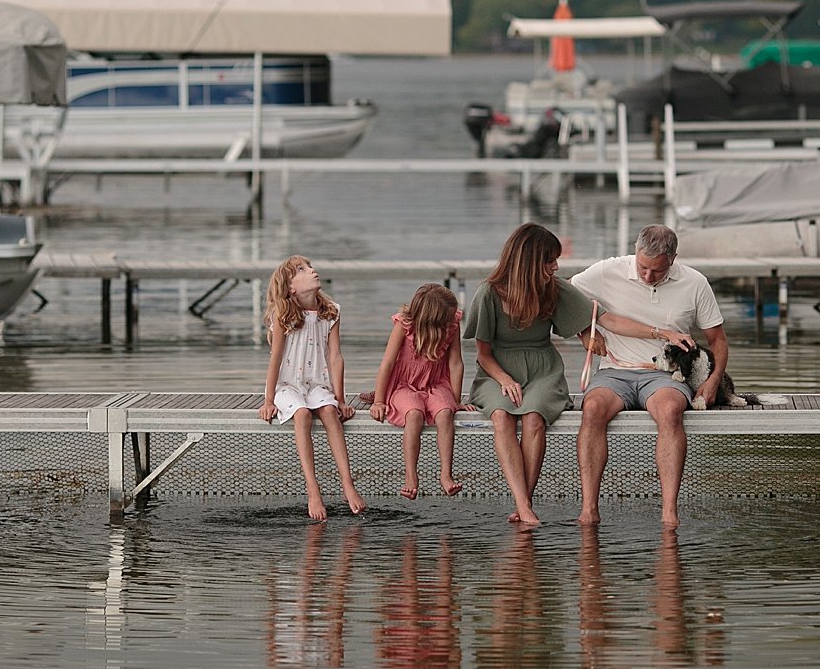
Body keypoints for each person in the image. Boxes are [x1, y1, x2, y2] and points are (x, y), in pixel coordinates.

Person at [464, 222, 692, 526]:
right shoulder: (489, 292)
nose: (556, 266)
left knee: (533, 417)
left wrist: (654, 332)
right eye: (550, 261)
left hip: (542, 366)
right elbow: (483, 354)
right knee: (502, 417)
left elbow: (606, 319)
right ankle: (523, 504)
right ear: (529, 261)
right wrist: (504, 379)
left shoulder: (554, 287)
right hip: (497, 370)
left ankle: (525, 504)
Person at [570, 223, 727, 528]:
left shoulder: (695, 282)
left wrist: (713, 381)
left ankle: (669, 512)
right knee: (592, 410)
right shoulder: (607, 271)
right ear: (635, 251)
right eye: (642, 266)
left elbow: (718, 339)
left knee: (670, 411)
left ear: (673, 258)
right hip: (615, 371)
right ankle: (589, 509)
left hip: (665, 376)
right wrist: (585, 332)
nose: (647, 276)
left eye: (657, 271)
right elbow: (564, 294)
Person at [260, 255, 367, 521]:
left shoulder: (331, 312)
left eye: (310, 267)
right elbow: (275, 358)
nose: (312, 270)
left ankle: (348, 484)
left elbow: (335, 357)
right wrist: (268, 399)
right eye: (302, 270)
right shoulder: (282, 314)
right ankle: (313, 489)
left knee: (330, 413)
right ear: (291, 287)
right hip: (288, 386)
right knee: (303, 414)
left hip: (317, 384)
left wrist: (340, 399)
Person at [369, 283, 471, 499]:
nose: (454, 318)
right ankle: (411, 476)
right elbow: (387, 363)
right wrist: (378, 401)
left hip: (436, 383)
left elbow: (455, 363)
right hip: (404, 385)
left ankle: (445, 475)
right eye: (449, 315)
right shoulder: (404, 325)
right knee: (414, 414)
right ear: (434, 317)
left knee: (445, 413)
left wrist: (455, 399)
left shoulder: (452, 324)